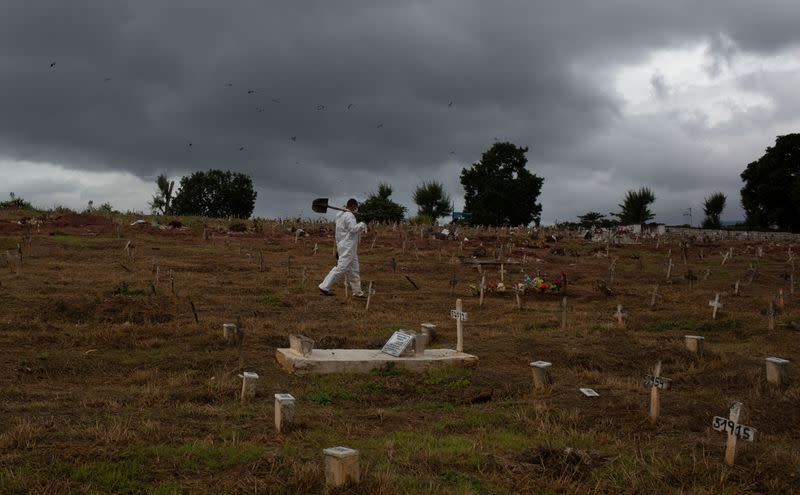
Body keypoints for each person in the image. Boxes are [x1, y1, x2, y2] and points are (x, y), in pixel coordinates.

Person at [319, 198, 367, 297]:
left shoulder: (340, 215)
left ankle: (357, 292)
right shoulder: (349, 215)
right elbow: (353, 229)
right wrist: (362, 224)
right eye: (356, 207)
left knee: (354, 270)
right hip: (348, 246)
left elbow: (342, 232)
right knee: (341, 268)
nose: (356, 209)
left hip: (345, 245)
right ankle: (324, 286)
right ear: (353, 206)